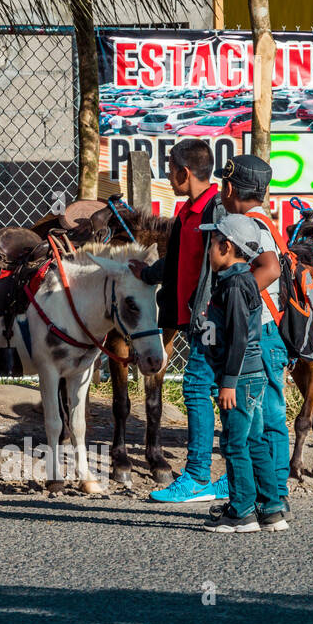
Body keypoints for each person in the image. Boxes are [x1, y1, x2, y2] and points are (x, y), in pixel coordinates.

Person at [136, 138, 229, 504]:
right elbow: (177, 261)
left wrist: (219, 314)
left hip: (216, 319)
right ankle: (228, 477)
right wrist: (147, 273)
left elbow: (231, 265)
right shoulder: (188, 212)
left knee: (202, 389)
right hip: (196, 319)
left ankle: (198, 477)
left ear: (183, 172)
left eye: (170, 167)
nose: (168, 175)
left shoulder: (216, 210)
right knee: (209, 392)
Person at [198, 215, 287, 533]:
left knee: (235, 445)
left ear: (226, 246)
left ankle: (242, 511)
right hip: (251, 376)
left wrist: (228, 382)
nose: (207, 249)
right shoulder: (240, 279)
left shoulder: (234, 284)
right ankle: (271, 507)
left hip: (240, 379)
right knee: (255, 441)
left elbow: (238, 337)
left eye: (212, 243)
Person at [216, 155, 291, 517]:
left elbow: (271, 267)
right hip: (265, 329)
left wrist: (239, 298)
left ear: (229, 188)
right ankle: (271, 498)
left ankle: (273, 495)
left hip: (258, 330)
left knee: (267, 416)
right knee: (264, 417)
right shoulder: (264, 221)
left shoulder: (247, 225)